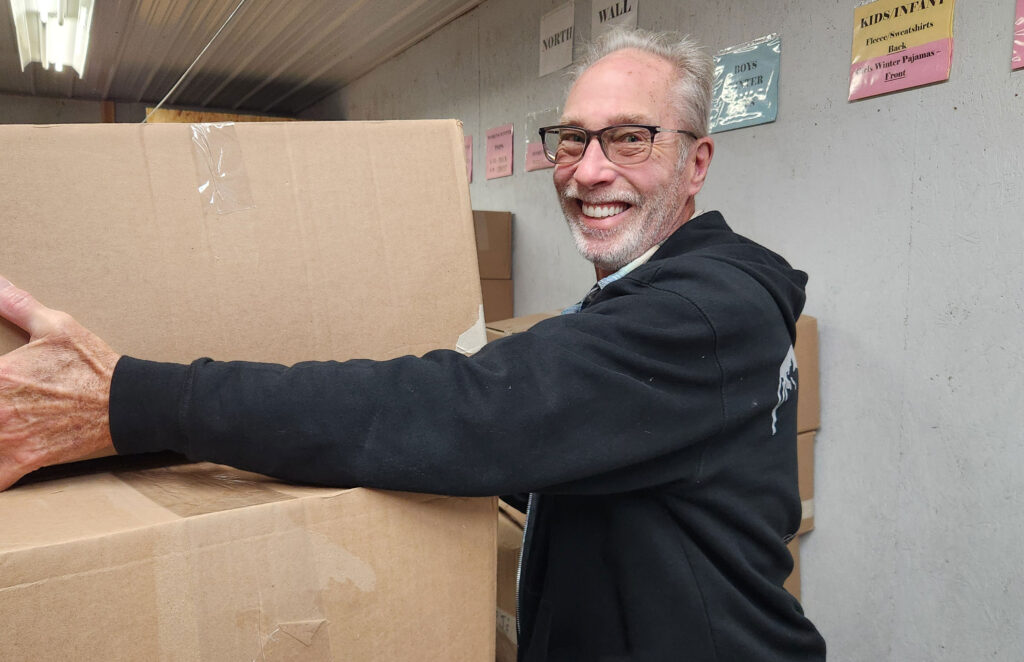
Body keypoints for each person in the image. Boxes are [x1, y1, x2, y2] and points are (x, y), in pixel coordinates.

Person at [0, 28, 825, 662]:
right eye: (571, 140)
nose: (588, 171)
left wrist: (130, 401)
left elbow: (467, 412)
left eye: (629, 139)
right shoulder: (660, 286)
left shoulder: (700, 313)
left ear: (697, 161)